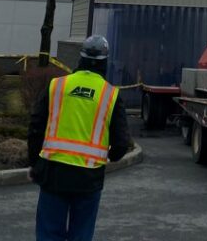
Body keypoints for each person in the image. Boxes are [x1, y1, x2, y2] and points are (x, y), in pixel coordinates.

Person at [28, 34, 130, 241]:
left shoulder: (57, 86)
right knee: (81, 235)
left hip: (53, 173)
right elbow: (121, 144)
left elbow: (36, 127)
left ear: (80, 58)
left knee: (48, 234)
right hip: (88, 178)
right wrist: (109, 157)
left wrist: (34, 163)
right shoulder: (111, 95)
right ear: (104, 62)